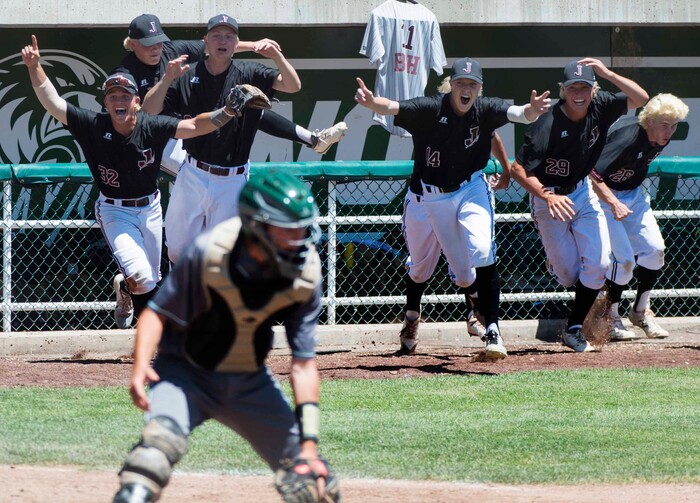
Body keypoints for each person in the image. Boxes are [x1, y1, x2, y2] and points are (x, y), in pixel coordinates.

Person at [111, 171, 339, 503]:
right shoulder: (210, 252)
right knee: (149, 464)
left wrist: (308, 445)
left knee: (313, 484)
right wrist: (140, 366)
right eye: (287, 229)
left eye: (301, 228)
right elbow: (156, 313)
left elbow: (304, 364)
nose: (298, 238)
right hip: (184, 375)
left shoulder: (305, 274)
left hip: (248, 380)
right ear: (255, 226)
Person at [22, 35, 246, 329]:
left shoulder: (150, 126)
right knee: (142, 276)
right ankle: (160, 337)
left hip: (150, 209)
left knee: (148, 280)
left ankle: (126, 290)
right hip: (115, 211)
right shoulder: (94, 124)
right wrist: (34, 67)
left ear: (137, 102)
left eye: (125, 95)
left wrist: (227, 112)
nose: (119, 100)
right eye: (113, 96)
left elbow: (192, 126)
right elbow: (53, 102)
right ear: (105, 102)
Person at [354, 57, 551, 359]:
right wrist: (372, 103)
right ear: (451, 85)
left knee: (482, 250)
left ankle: (493, 329)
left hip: (471, 186)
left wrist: (532, 111)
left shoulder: (484, 110)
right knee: (432, 270)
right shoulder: (431, 108)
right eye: (460, 82)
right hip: (430, 197)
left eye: (472, 84)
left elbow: (517, 113)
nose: (466, 88)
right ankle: (413, 318)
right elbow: (393, 107)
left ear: (479, 88)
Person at [142, 14, 306, 264]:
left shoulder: (248, 72)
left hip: (233, 178)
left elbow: (293, 86)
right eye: (216, 35)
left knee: (224, 255)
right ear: (205, 41)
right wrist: (166, 79)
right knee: (176, 249)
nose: (223, 41)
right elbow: (149, 111)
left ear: (236, 42)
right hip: (194, 173)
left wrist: (277, 57)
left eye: (229, 36)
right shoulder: (187, 74)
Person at [510, 58, 649, 352]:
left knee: (598, 265)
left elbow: (641, 98)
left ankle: (573, 329)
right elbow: (518, 170)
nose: (579, 92)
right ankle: (556, 261)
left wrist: (606, 72)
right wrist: (547, 196)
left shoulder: (602, 106)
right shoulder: (546, 124)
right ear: (563, 90)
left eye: (584, 86)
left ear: (593, 90)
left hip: (583, 192)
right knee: (568, 275)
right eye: (573, 86)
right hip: (548, 197)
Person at [117, 13, 346, 176]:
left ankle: (313, 139)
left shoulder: (173, 49)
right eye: (149, 44)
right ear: (133, 44)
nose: (156, 48)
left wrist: (255, 45)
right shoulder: (124, 72)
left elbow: (218, 45)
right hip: (159, 138)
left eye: (159, 42)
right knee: (197, 178)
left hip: (187, 124)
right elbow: (132, 114)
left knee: (247, 103)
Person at [589, 93, 689, 340]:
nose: (670, 131)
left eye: (674, 124)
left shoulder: (659, 137)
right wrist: (612, 202)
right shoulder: (628, 138)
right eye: (665, 124)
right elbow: (592, 174)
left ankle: (640, 311)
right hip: (603, 195)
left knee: (655, 251)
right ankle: (610, 317)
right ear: (649, 121)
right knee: (624, 262)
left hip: (632, 194)